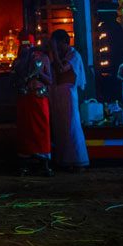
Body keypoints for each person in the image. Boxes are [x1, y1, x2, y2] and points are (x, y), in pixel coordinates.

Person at [11, 33, 53, 177]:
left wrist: (39, 73)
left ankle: (44, 164)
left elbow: (50, 80)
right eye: (24, 44)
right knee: (25, 131)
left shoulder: (44, 58)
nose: (26, 47)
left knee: (42, 130)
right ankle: (24, 164)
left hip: (40, 98)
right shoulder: (18, 62)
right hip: (25, 98)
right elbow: (15, 81)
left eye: (28, 44)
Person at [48, 29, 89, 171]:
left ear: (65, 42)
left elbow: (61, 69)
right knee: (60, 128)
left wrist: (54, 53)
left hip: (68, 93)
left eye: (59, 45)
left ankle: (77, 160)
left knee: (71, 126)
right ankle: (64, 161)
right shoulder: (59, 54)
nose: (58, 48)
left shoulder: (74, 55)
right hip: (58, 93)